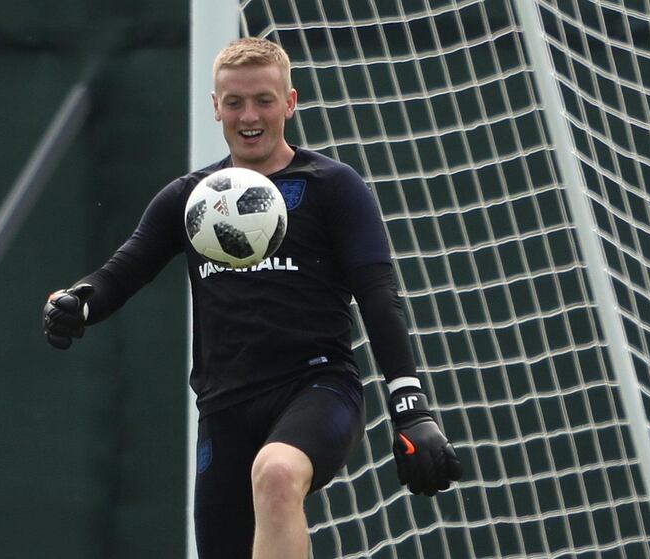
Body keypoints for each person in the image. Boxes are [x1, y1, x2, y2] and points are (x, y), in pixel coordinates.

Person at [43, 37, 461, 559]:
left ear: (290, 102)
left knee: (277, 472)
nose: (249, 116)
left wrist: (410, 407)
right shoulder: (191, 198)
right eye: (235, 102)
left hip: (317, 389)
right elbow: (122, 271)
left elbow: (379, 295)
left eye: (264, 100)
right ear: (215, 107)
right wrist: (79, 302)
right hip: (223, 409)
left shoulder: (332, 186)